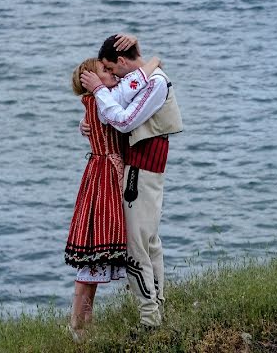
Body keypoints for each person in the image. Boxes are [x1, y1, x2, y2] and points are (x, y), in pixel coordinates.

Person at [79, 34, 183, 329]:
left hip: (142, 171)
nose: (113, 77)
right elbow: (114, 102)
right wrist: (88, 119)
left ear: (121, 62)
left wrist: (99, 89)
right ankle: (155, 310)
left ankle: (150, 319)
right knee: (149, 243)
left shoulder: (155, 82)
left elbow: (124, 120)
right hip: (141, 169)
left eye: (112, 69)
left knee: (138, 246)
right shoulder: (142, 79)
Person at [65, 50, 160, 343]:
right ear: (92, 79)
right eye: (104, 72)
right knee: (95, 246)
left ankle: (82, 323)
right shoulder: (104, 100)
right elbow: (137, 81)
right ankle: (79, 325)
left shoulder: (95, 103)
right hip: (106, 174)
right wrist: (154, 61)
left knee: (95, 250)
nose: (112, 75)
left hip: (100, 170)